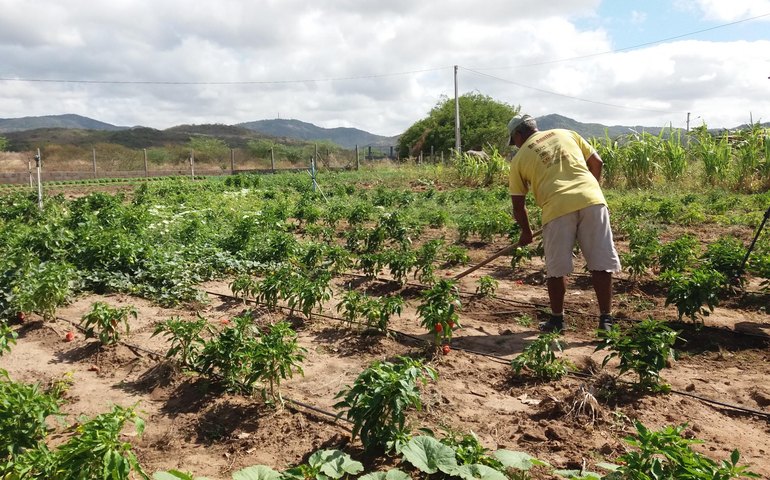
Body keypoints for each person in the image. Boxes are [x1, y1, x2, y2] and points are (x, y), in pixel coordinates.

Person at [507, 114, 621, 332]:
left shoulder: (519, 159)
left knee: (556, 269)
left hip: (556, 208)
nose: (516, 146)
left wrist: (526, 232)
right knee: (601, 263)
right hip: (593, 201)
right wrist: (589, 191)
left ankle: (557, 320)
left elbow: (518, 204)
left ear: (519, 135)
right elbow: (597, 162)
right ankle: (606, 320)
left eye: (514, 141)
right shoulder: (567, 133)